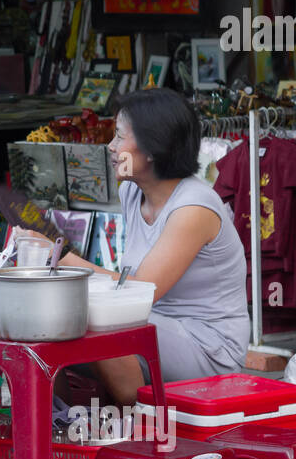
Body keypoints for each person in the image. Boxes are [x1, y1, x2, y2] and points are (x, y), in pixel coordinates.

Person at [38, 89, 249, 405]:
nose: (110, 147)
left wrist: (60, 257)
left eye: (119, 137)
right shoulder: (131, 194)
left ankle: (136, 418)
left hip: (208, 348)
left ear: (153, 148)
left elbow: (140, 292)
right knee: (43, 320)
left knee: (96, 315)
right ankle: (59, 427)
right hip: (153, 331)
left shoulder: (194, 207)